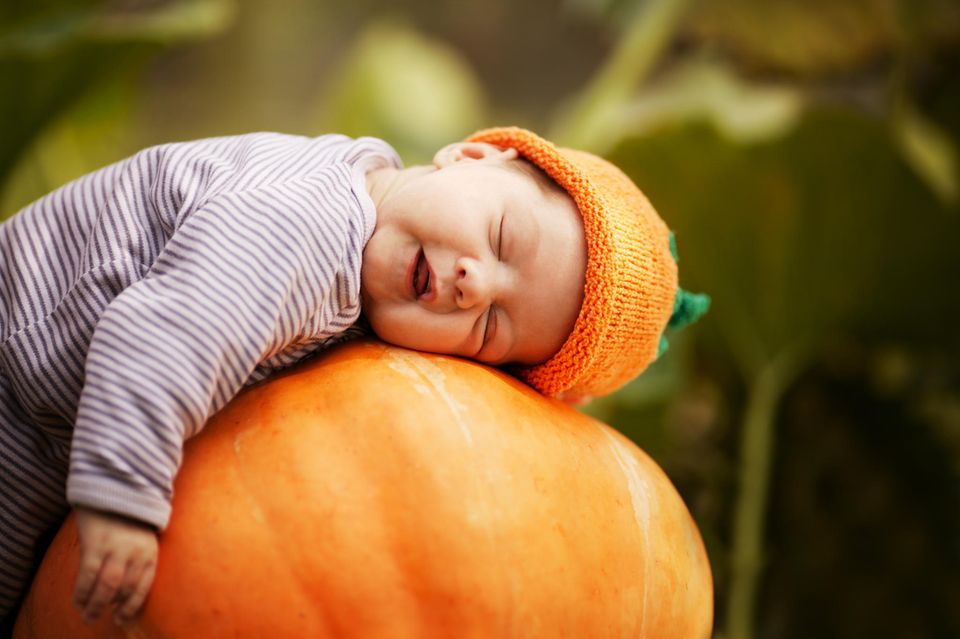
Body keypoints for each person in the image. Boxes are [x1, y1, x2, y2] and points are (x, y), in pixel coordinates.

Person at [0, 126, 708, 629]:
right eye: (500, 239)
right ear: (470, 155)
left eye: (492, 327)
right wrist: (122, 495)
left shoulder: (363, 234)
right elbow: (161, 333)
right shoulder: (301, 225)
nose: (472, 282)